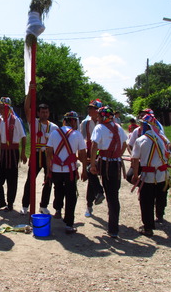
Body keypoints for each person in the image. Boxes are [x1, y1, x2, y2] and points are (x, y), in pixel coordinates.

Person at [46, 111, 87, 234]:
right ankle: (69, 224)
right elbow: (82, 154)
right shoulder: (77, 135)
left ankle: (58, 210)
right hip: (70, 170)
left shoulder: (54, 133)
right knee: (71, 195)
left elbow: (48, 152)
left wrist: (49, 169)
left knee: (58, 189)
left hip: (56, 169)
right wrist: (84, 170)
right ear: (73, 121)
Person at [90, 106, 127, 238]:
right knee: (114, 195)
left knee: (90, 171)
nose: (98, 119)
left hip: (105, 162)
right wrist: (118, 154)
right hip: (116, 163)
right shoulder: (118, 127)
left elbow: (94, 145)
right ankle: (113, 228)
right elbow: (124, 144)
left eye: (99, 116)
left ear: (103, 117)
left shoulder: (99, 128)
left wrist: (93, 163)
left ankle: (99, 192)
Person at [20, 86, 58, 215]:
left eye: (46, 112)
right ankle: (25, 205)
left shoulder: (53, 127)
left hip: (48, 155)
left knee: (48, 179)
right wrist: (30, 92)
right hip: (36, 154)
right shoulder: (34, 123)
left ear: (49, 113)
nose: (44, 114)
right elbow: (26, 108)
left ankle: (43, 205)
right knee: (30, 180)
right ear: (38, 113)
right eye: (42, 112)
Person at [132, 113, 171, 236]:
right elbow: (169, 153)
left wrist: (135, 174)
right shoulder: (163, 139)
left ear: (145, 126)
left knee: (146, 201)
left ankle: (148, 227)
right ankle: (160, 215)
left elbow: (135, 159)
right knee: (161, 196)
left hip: (148, 177)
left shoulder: (140, 140)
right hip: (163, 175)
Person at [0, 97, 27, 211]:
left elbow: (23, 136)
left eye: (2, 107)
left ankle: (10, 203)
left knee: (12, 179)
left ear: (7, 108)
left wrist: (23, 152)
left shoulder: (15, 120)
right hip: (0, 152)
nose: (0, 109)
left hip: (12, 152)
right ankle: (1, 200)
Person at [80, 99, 105, 217]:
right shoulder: (85, 123)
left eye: (92, 109)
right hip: (91, 153)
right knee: (91, 175)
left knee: (106, 178)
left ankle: (107, 202)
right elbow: (82, 139)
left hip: (104, 154)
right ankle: (90, 204)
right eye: (89, 108)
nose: (89, 110)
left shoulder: (107, 123)